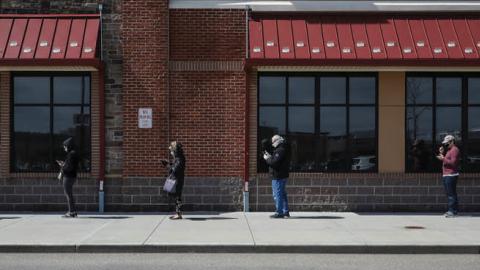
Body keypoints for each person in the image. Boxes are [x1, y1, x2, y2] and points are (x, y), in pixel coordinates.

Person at [263, 135, 291, 218]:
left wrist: (267, 158)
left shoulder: (280, 150)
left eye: (273, 142)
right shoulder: (283, 148)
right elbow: (276, 160)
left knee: (277, 194)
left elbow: (274, 163)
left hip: (278, 175)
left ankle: (279, 212)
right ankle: (285, 211)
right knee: (282, 194)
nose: (272, 144)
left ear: (277, 141)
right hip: (282, 175)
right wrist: (270, 157)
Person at [436, 135, 461, 218]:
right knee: (450, 193)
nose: (445, 145)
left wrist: (443, 158)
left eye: (447, 143)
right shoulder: (449, 150)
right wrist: (442, 153)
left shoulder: (455, 150)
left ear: (452, 141)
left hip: (451, 174)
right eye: (445, 143)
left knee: (451, 194)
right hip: (447, 174)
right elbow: (447, 160)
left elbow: (453, 163)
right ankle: (454, 210)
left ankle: (452, 211)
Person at [161, 141, 186, 220]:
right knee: (177, 197)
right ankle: (178, 213)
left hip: (178, 180)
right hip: (178, 179)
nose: (171, 152)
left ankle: (178, 214)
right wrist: (168, 164)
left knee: (178, 197)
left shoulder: (180, 158)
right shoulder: (178, 158)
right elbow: (174, 166)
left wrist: (168, 165)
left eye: (172, 150)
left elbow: (175, 169)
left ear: (176, 150)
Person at [56, 137, 79, 218]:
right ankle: (73, 211)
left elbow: (69, 167)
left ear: (69, 146)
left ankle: (71, 212)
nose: (64, 148)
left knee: (68, 194)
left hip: (68, 177)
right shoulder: (74, 154)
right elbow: (70, 166)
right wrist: (64, 164)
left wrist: (63, 166)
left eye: (65, 146)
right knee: (69, 194)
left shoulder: (71, 154)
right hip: (72, 176)